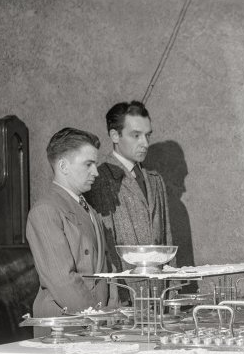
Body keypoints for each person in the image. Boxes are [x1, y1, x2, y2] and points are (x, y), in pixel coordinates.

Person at [26, 127, 117, 327]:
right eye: (88, 164)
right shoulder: (46, 211)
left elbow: (105, 270)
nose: (96, 172)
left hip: (95, 323)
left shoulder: (89, 210)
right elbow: (61, 280)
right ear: (63, 166)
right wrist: (98, 317)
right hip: (65, 326)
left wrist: (113, 312)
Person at [86, 100, 173, 287]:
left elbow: (166, 242)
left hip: (159, 295)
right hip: (125, 294)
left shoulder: (155, 181)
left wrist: (171, 294)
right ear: (115, 135)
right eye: (136, 135)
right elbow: (102, 248)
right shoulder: (98, 180)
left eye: (147, 135)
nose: (145, 143)